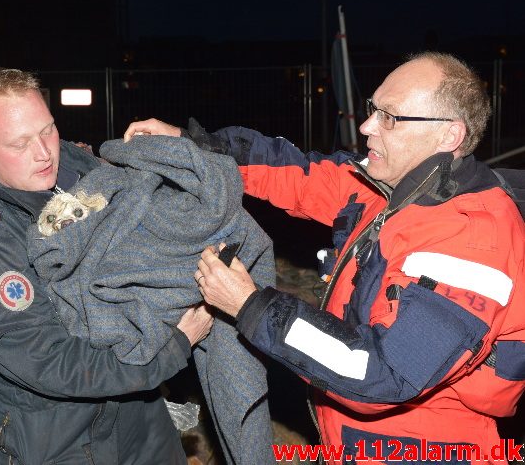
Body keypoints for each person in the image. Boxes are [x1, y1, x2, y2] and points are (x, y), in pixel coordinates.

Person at [125, 52, 525, 464]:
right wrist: (193, 147)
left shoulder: (472, 239)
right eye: (374, 109)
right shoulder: (395, 188)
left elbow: (383, 373)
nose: (367, 126)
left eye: (391, 117)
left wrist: (250, 305)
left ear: (448, 137)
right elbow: (298, 173)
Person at [0, 67, 213, 465]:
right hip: (57, 436)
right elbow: (54, 364)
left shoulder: (71, 162)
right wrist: (173, 346)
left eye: (47, 129)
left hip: (138, 409)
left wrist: (154, 159)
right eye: (19, 143)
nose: (44, 152)